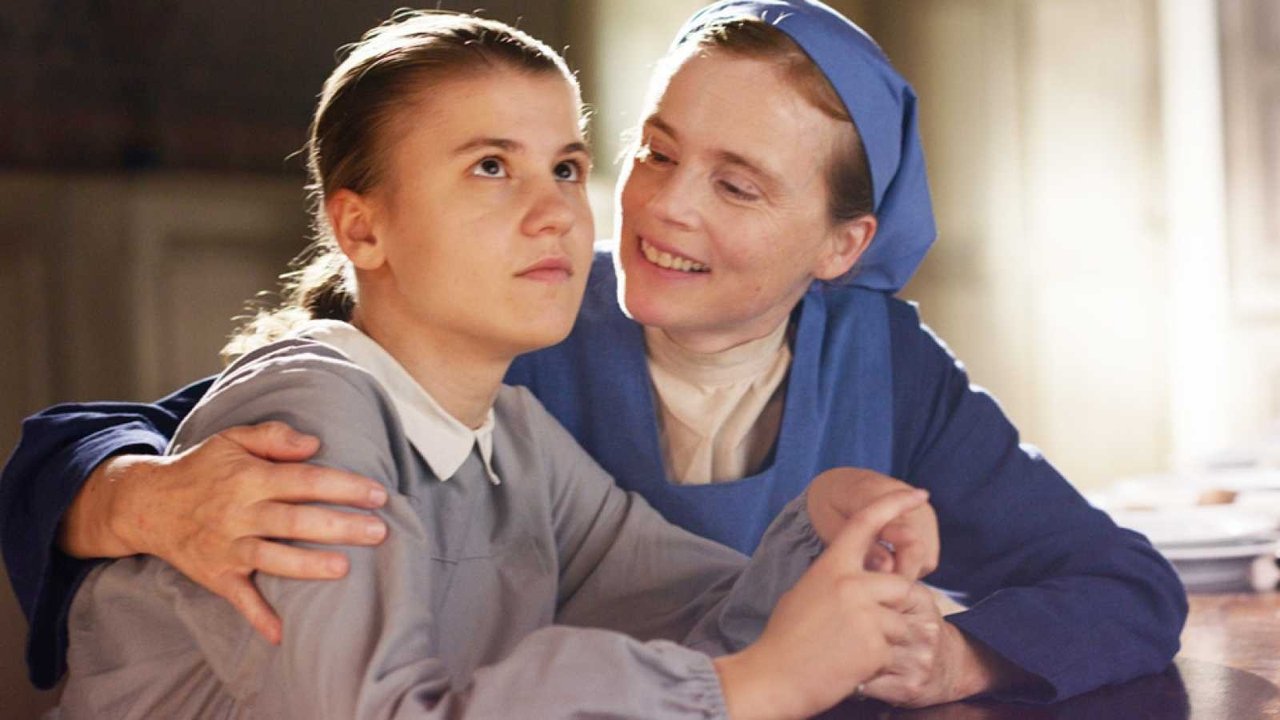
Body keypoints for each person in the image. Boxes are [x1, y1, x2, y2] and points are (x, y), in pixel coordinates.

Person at [2, 0, 1186, 708]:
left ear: (842, 245)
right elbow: (163, 432)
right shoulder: (510, 321)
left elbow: (1120, 585)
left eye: (735, 185)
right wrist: (137, 497)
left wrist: (933, 642)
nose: (658, 208)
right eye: (655, 153)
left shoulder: (878, 362)